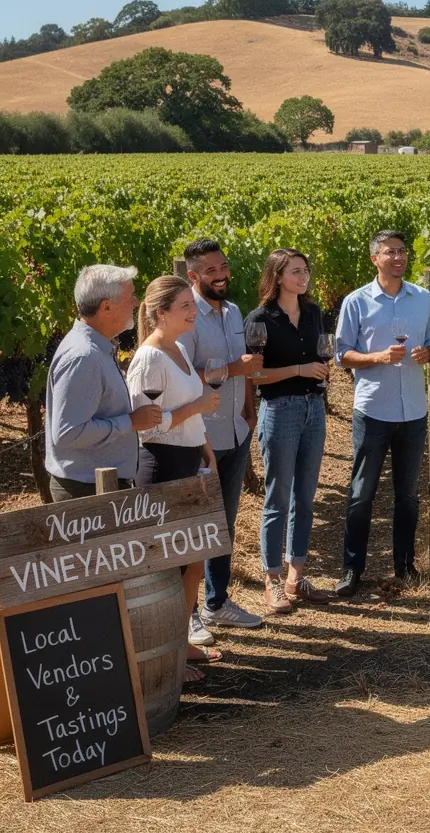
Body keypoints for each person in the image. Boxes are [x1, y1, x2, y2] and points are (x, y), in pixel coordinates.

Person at [334, 230, 430, 595]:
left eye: (402, 251)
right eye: (389, 252)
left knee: (408, 495)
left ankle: (405, 565)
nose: (398, 257)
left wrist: (429, 353)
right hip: (373, 409)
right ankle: (352, 570)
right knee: (362, 493)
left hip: (412, 410)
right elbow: (342, 355)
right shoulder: (356, 302)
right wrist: (379, 357)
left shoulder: (423, 298)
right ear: (374, 259)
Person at [126, 274, 222, 683]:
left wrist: (207, 452)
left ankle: (179, 641)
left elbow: (188, 413)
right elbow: (146, 428)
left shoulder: (179, 348)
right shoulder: (148, 359)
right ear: (160, 312)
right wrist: (197, 406)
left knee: (195, 563)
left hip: (188, 462)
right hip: (161, 466)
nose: (193, 311)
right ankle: (166, 657)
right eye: (184, 305)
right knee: (169, 568)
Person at [178, 238, 264, 637]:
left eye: (223, 266)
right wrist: (232, 369)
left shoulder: (233, 312)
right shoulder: (186, 317)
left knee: (225, 523)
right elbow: (180, 376)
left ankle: (217, 601)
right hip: (202, 437)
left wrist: (248, 411)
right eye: (210, 270)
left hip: (235, 430)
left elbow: (245, 368)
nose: (220, 275)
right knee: (197, 526)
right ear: (193, 275)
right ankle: (189, 612)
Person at [246, 248, 332, 614]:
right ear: (278, 276)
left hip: (314, 409)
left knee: (305, 496)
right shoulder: (260, 319)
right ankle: (273, 580)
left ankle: (297, 576)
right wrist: (300, 370)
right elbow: (254, 374)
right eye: (296, 271)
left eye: (305, 270)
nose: (303, 277)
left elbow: (323, 355)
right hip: (279, 411)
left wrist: (321, 372)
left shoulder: (314, 313)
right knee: (277, 497)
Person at [45, 264, 161, 500]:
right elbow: (69, 433)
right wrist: (129, 422)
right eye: (130, 298)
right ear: (106, 307)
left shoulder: (96, 349)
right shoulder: (83, 357)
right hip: (87, 490)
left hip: (95, 486)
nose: (137, 303)